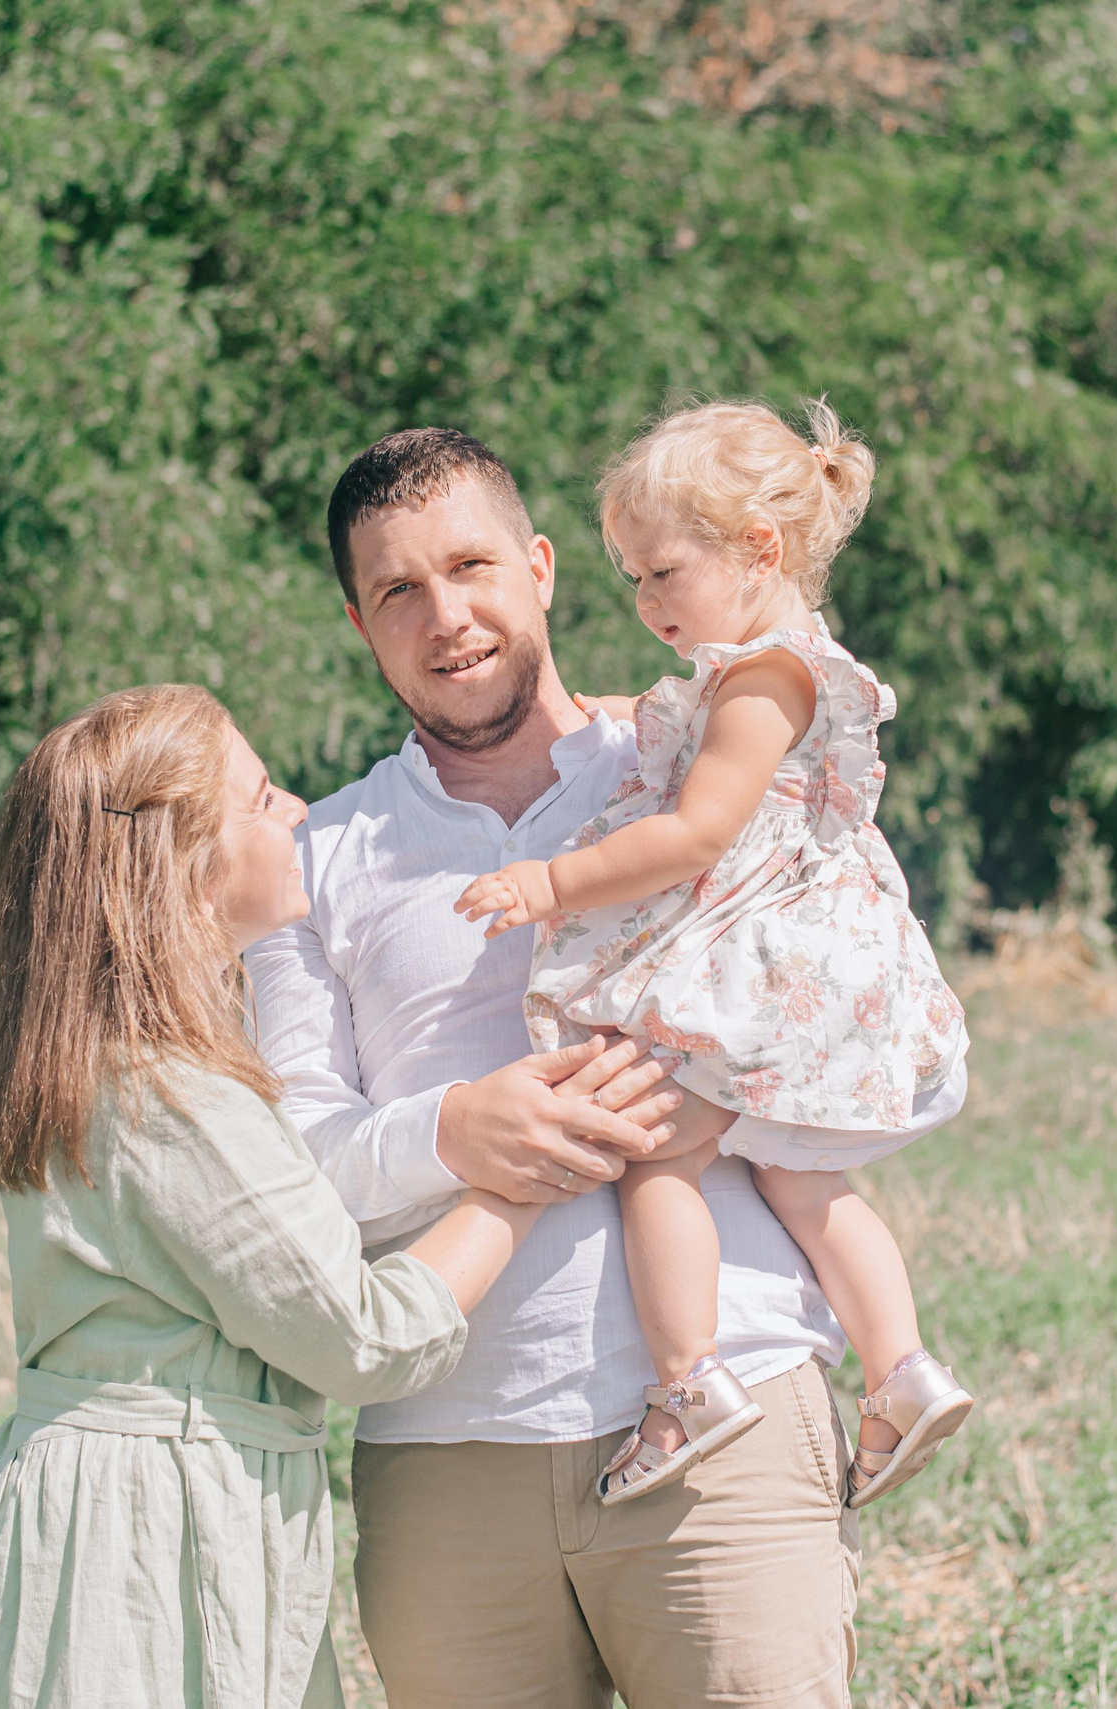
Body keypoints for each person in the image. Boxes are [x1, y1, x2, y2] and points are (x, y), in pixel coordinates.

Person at [244, 429, 964, 1708]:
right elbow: (294, 1169)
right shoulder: (319, 853)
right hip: (443, 1446)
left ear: (539, 568)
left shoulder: (701, 765)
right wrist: (458, 1129)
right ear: (359, 622)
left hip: (722, 1426)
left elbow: (862, 998)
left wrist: (722, 1093)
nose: (446, 615)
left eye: (472, 566)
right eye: (399, 591)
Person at [0, 683, 588, 1709]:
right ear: (187, 862)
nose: (296, 814)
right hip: (143, 1530)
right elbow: (359, 1334)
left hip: (107, 1510)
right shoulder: (170, 1090)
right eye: (263, 794)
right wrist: (526, 1175)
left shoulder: (115, 1064)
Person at [456, 399, 974, 1510]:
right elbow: (666, 718)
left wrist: (546, 882)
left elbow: (696, 830)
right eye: (633, 578)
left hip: (767, 962)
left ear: (759, 549)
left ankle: (687, 1380)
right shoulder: (755, 670)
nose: (644, 601)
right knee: (799, 1173)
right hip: (811, 965)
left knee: (655, 1158)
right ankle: (901, 1367)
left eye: (660, 573)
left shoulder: (765, 678)